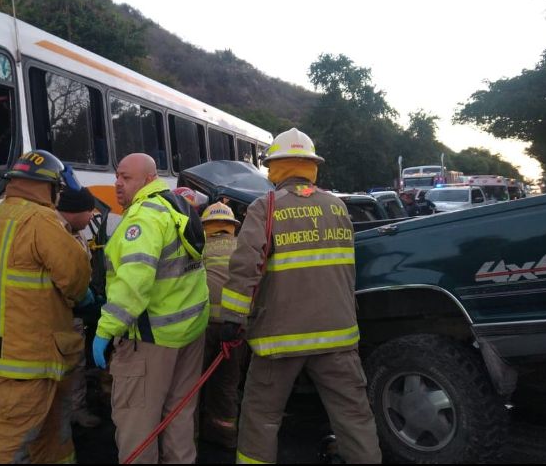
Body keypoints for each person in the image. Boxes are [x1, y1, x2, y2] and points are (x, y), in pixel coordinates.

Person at [219, 129, 382, 464]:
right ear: (311, 166)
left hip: (279, 339)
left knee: (260, 419)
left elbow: (245, 266)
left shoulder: (265, 207)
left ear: (274, 168)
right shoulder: (337, 207)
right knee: (354, 419)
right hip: (337, 335)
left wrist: (232, 319)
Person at [0, 150, 92, 464]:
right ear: (49, 187)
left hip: (6, 346)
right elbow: (75, 276)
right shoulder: (42, 220)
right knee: (7, 436)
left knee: (51, 427)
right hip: (33, 351)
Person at [92, 153, 209, 464]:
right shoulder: (177, 207)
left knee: (137, 426)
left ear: (147, 179)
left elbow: (134, 283)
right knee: (179, 416)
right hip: (189, 334)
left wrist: (105, 331)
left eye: (126, 177)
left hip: (150, 340)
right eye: (117, 175)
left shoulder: (142, 218)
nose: (117, 183)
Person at [57, 186, 103, 429]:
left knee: (75, 363)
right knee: (69, 364)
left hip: (72, 312)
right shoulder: (55, 234)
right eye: (89, 212)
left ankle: (75, 409)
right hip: (60, 314)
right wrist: (87, 299)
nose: (91, 218)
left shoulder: (74, 233)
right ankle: (66, 412)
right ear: (76, 211)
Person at [199, 202, 243, 449]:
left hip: (202, 328)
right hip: (234, 328)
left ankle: (188, 438)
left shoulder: (198, 248)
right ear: (231, 226)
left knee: (193, 383)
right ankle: (225, 434)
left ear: (205, 227)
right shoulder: (242, 249)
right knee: (226, 383)